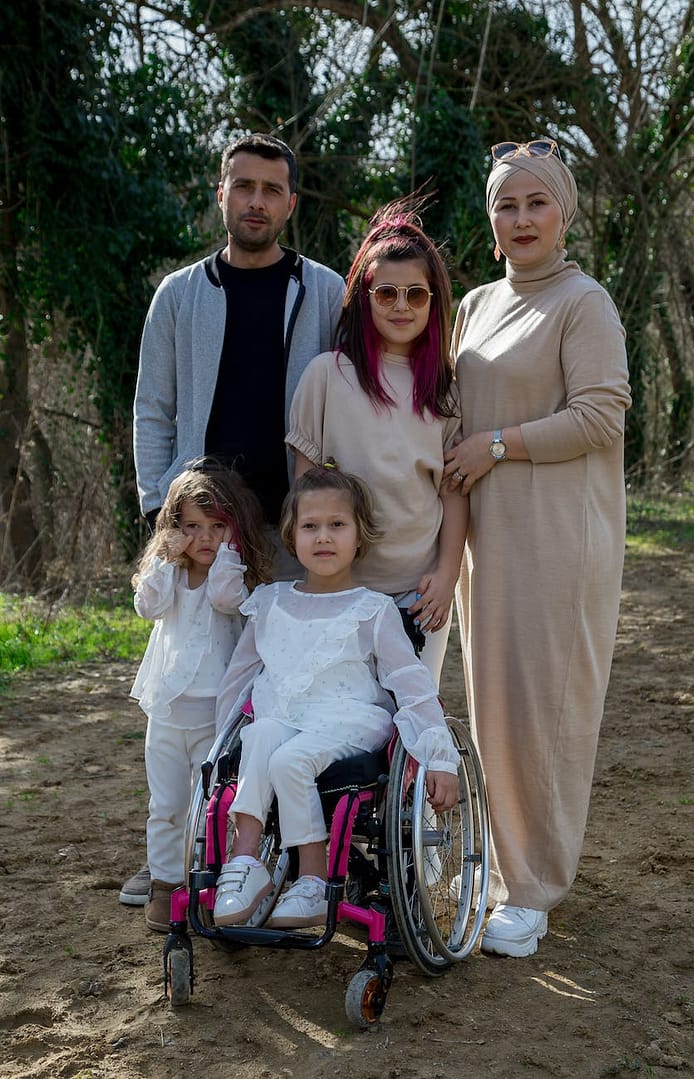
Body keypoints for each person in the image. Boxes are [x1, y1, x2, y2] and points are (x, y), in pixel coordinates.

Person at [124, 132, 345, 906]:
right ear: (220, 194)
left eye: (270, 189)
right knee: (193, 693)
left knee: (280, 689)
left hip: (289, 530)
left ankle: (267, 852)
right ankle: (177, 853)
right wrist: (165, 516)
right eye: (241, 185)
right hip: (202, 534)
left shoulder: (322, 291)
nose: (255, 201)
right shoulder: (179, 295)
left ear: (289, 202)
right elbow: (152, 407)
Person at [443, 138, 631, 958]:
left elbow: (600, 414)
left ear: (563, 214)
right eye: (505, 206)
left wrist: (494, 446)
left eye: (534, 203)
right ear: (490, 225)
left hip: (559, 536)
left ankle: (535, 889)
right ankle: (498, 871)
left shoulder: (582, 302)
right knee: (494, 710)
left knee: (546, 711)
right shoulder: (475, 303)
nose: (520, 219)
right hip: (487, 538)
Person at [211, 464, 460, 929]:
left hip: (348, 720)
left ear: (358, 535)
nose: (323, 537)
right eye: (310, 526)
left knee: (288, 761)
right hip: (284, 718)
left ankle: (312, 880)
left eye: (337, 525)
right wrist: (218, 750)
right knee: (261, 734)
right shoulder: (269, 601)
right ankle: (244, 864)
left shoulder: (373, 609)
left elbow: (411, 682)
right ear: (292, 535)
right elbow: (238, 680)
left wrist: (439, 756)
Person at [286, 200, 467, 684]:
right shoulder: (327, 376)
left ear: (434, 301)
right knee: (346, 721)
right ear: (364, 297)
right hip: (341, 588)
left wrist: (448, 575)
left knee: (407, 720)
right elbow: (305, 487)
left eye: (416, 294)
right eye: (386, 293)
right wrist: (320, 578)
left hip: (418, 591)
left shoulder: (444, 390)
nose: (402, 306)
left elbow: (453, 490)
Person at [129, 460, 272, 931]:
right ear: (174, 528)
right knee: (166, 804)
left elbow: (226, 600)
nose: (204, 538)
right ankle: (166, 884)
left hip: (216, 712)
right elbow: (146, 605)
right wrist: (164, 557)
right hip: (167, 709)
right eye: (192, 526)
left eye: (217, 528)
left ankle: (205, 881)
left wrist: (230, 554)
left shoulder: (232, 576)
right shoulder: (169, 575)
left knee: (211, 805)